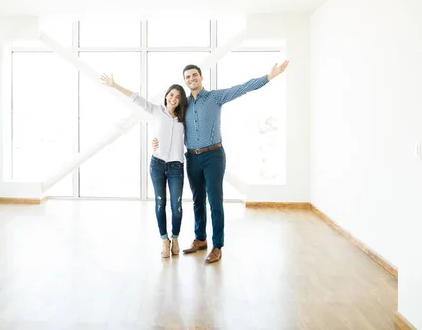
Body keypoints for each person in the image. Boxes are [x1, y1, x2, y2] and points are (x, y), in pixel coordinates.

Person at [153, 60, 289, 263]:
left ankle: (218, 246)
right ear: (185, 81)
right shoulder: (184, 104)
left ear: (201, 77)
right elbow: (168, 121)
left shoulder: (216, 97)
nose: (192, 78)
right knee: (198, 200)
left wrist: (269, 76)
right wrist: (156, 140)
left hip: (213, 155)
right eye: (188, 77)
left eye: (194, 75)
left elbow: (242, 88)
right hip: (192, 157)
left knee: (215, 201)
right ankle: (200, 239)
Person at [101, 73, 188, 258]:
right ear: (166, 96)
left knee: (177, 206)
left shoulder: (183, 118)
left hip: (176, 168)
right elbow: (135, 98)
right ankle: (164, 240)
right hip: (157, 165)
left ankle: (176, 237)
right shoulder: (156, 110)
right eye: (171, 94)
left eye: (178, 97)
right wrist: (114, 85)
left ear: (181, 101)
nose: (174, 98)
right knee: (159, 203)